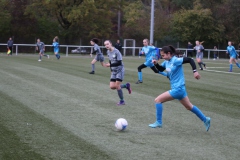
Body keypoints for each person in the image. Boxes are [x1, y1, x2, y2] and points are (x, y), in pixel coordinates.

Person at [148, 45, 211, 132]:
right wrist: (156, 64)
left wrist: (195, 71)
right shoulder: (167, 62)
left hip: (178, 89)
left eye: (163, 55)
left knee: (158, 100)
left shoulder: (176, 60)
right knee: (189, 107)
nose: (162, 57)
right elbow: (161, 69)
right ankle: (206, 119)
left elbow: (190, 60)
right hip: (180, 89)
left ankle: (159, 122)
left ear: (168, 53)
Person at [102, 40, 132, 105]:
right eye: (105, 44)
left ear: (111, 44)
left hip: (120, 70)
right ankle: (126, 85)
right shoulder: (108, 52)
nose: (106, 46)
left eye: (107, 44)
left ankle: (122, 101)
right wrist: (111, 70)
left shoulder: (116, 51)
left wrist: (110, 65)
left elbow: (119, 62)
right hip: (114, 71)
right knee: (112, 86)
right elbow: (110, 61)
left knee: (117, 85)